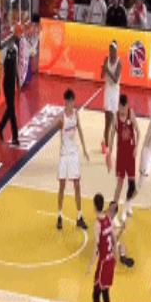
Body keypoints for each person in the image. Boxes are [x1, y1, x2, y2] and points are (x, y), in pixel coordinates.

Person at [56, 89, 89, 230]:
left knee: (77, 185)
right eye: (68, 102)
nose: (70, 104)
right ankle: (59, 215)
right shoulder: (61, 117)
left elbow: (80, 130)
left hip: (74, 153)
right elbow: (57, 126)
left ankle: (79, 216)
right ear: (65, 102)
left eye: (71, 101)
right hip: (64, 154)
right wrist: (58, 125)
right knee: (62, 185)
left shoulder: (76, 114)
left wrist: (84, 149)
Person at [107, 94, 140, 221]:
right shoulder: (115, 118)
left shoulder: (131, 114)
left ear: (127, 106)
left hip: (131, 154)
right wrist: (109, 152)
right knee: (119, 184)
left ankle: (127, 205)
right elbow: (111, 135)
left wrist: (136, 147)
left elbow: (138, 132)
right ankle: (113, 211)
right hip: (121, 155)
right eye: (121, 108)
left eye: (124, 108)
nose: (123, 110)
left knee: (132, 185)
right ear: (119, 106)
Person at [87, 193, 116, 302]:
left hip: (103, 263)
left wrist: (90, 266)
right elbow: (114, 239)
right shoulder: (108, 218)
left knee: (96, 294)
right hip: (110, 260)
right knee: (105, 291)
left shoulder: (97, 224)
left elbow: (96, 248)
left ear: (94, 206)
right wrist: (116, 257)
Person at [0, 39, 20, 145]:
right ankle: (15, 137)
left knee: (10, 109)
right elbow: (0, 68)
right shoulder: (4, 51)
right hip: (6, 84)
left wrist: (18, 79)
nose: (11, 43)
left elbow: (16, 65)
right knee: (12, 110)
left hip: (12, 83)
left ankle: (0, 127)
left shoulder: (15, 48)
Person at [101, 41, 122, 154]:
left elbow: (115, 80)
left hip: (115, 91)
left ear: (116, 50)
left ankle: (112, 142)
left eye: (113, 49)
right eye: (110, 49)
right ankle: (106, 144)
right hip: (108, 90)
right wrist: (103, 70)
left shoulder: (119, 62)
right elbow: (101, 76)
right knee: (107, 120)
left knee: (114, 120)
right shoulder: (106, 59)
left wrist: (107, 70)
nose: (111, 51)